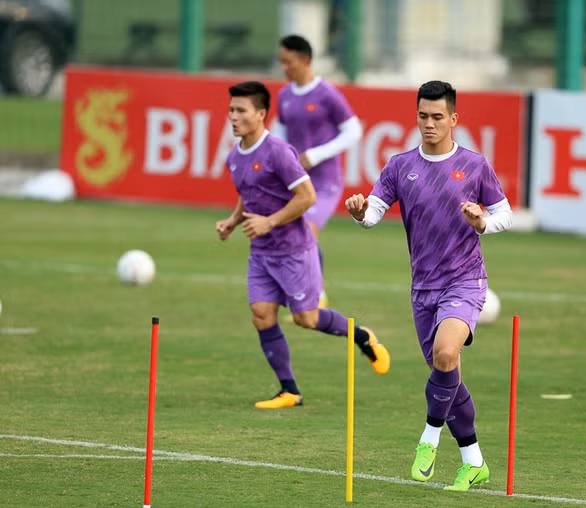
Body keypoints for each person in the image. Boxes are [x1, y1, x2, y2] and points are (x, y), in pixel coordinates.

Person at [345, 80, 513, 491]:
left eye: (438, 117)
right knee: (447, 373)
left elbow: (504, 213)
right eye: (423, 116)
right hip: (423, 290)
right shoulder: (401, 166)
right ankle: (474, 462)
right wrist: (359, 212)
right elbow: (373, 213)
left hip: (465, 281)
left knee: (445, 352)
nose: (429, 124)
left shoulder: (474, 165)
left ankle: (428, 439)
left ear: (454, 119)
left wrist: (483, 223)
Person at [216, 81, 389, 409]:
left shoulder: (279, 152)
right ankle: (289, 390)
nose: (233, 117)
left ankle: (362, 336)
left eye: (241, 110)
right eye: (231, 110)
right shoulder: (235, 157)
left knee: (306, 319)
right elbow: (248, 192)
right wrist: (232, 221)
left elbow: (307, 196)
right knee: (261, 315)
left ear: (261, 114)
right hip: (262, 254)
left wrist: (269, 222)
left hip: (294, 250)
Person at [276, 34, 363, 308]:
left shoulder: (326, 94)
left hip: (325, 183)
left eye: (288, 62)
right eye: (282, 62)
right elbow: (279, 136)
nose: (284, 68)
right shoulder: (284, 95)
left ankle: (314, 297)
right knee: (295, 234)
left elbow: (354, 131)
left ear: (305, 61)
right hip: (297, 182)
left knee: (307, 231)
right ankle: (313, 291)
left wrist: (316, 154)